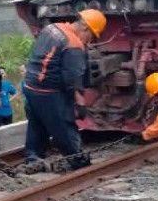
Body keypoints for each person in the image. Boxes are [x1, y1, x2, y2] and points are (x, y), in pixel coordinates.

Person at [23, 9, 107, 170]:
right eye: (92, 36)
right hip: (49, 92)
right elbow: (73, 79)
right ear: (86, 29)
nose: (90, 42)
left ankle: (33, 157)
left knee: (37, 123)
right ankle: (77, 159)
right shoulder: (73, 44)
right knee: (64, 125)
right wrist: (80, 104)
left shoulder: (53, 28)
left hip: (30, 85)